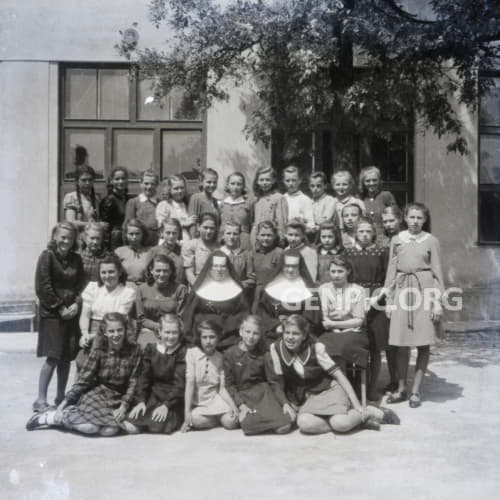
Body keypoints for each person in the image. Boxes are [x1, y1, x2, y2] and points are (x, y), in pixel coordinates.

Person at [266, 315, 400, 434]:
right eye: (287, 333)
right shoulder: (276, 349)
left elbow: (340, 376)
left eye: (295, 334)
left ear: (304, 336)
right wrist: (285, 403)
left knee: (340, 423)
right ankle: (356, 422)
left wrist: (357, 405)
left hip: (329, 390)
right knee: (305, 424)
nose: (290, 337)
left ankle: (369, 412)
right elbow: (277, 382)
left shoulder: (315, 349)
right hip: (309, 398)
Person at [26, 313, 142, 437]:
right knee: (90, 428)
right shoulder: (99, 351)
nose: (116, 335)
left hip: (119, 398)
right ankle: (52, 418)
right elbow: (84, 380)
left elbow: (133, 382)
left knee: (109, 431)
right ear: (105, 332)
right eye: (111, 331)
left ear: (125, 330)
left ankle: (77, 415)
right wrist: (63, 404)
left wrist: (124, 406)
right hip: (99, 395)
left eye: (120, 330)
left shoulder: (135, 350)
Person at [384, 202, 444, 408]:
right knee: (400, 343)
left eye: (420, 218)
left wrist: (437, 304)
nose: (415, 221)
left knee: (423, 343)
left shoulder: (431, 241)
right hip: (401, 291)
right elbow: (391, 272)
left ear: (425, 220)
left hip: (424, 292)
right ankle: (402, 388)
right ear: (405, 218)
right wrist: (390, 301)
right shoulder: (397, 240)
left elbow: (437, 274)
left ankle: (416, 391)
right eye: (412, 217)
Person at [33, 222, 85, 412]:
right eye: (62, 237)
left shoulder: (76, 260)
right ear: (55, 237)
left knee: (65, 359)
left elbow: (81, 285)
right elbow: (43, 287)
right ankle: (40, 401)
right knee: (53, 357)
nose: (66, 241)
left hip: (71, 315)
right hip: (52, 315)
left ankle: (60, 397)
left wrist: (75, 304)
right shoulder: (47, 257)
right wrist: (60, 307)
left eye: (70, 238)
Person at [344, 218, 397, 399]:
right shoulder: (349, 253)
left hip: (377, 301)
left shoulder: (381, 252)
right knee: (354, 344)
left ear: (373, 233)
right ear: (355, 234)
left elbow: (387, 280)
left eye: (368, 231)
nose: (364, 235)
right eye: (361, 232)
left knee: (375, 347)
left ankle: (372, 388)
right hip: (354, 300)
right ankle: (354, 387)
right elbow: (345, 279)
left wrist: (376, 298)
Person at [223, 315, 293, 435]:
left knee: (284, 426)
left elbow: (273, 382)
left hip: (263, 394)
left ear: (260, 335)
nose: (251, 337)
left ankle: (268, 419)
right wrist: (241, 405)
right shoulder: (230, 354)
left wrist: (285, 403)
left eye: (255, 333)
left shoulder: (264, 353)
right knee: (248, 427)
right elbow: (229, 385)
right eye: (247, 331)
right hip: (244, 396)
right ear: (240, 331)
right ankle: (259, 421)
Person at [125, 314, 188, 434]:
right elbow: (143, 378)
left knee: (156, 427)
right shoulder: (151, 349)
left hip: (173, 400)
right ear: (159, 331)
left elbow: (180, 384)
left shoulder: (182, 352)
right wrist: (141, 401)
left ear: (180, 333)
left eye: (174, 333)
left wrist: (166, 405)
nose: (170, 336)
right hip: (153, 396)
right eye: (167, 332)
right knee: (131, 424)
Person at [77, 253, 136, 370]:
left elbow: (118, 321)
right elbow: (85, 315)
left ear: (119, 272)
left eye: (111, 272)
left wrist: (95, 337)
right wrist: (84, 334)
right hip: (92, 332)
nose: (107, 276)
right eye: (103, 272)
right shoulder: (92, 288)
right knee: (81, 361)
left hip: (116, 334)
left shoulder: (127, 292)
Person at [183, 251, 250, 349]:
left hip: (230, 341)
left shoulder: (237, 291)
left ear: (228, 269)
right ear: (209, 268)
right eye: (215, 266)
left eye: (223, 266)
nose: (219, 269)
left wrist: (226, 325)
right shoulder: (199, 290)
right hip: (202, 340)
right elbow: (189, 317)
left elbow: (244, 314)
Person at [181, 320, 239, 432]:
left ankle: (221, 418)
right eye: (204, 337)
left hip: (216, 400)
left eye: (212, 337)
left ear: (218, 338)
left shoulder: (220, 357)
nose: (208, 341)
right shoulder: (192, 354)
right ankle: (217, 420)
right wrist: (186, 413)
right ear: (200, 338)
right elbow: (190, 384)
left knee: (231, 422)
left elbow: (222, 389)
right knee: (194, 419)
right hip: (200, 404)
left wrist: (233, 406)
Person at [254, 249, 320, 344]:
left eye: (294, 266)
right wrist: (275, 326)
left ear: (300, 267)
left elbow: (312, 320)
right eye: (287, 266)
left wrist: (291, 330)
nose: (290, 270)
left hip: (299, 338)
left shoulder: (310, 291)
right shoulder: (270, 287)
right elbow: (262, 313)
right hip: (272, 335)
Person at [135, 255, 188, 349]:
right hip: (148, 331)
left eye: (166, 271)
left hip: (173, 333)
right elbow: (141, 318)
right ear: (151, 270)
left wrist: (167, 330)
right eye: (158, 270)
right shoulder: (141, 289)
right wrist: (158, 327)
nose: (162, 274)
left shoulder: (180, 289)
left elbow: (181, 318)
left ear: (171, 271)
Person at [250, 166, 288, 246]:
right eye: (261, 180)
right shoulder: (256, 199)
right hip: (257, 238)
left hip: (272, 238)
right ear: (257, 181)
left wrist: (281, 238)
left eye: (267, 180)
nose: (264, 183)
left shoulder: (278, 198)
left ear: (273, 181)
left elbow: (282, 221)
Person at [358, 166, 397, 241]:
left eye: (374, 180)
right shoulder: (360, 198)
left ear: (379, 181)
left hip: (384, 237)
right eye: (368, 181)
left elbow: (395, 217)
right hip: (365, 238)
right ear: (363, 182)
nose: (371, 183)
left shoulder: (386, 196)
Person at [182, 212, 220, 286]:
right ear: (198, 227)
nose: (208, 231)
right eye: (205, 227)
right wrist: (201, 290)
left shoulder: (219, 247)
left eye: (212, 228)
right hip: (197, 286)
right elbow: (189, 274)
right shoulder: (190, 245)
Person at [124, 169, 160, 246]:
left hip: (156, 242)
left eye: (152, 184)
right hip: (138, 242)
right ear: (141, 184)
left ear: (157, 185)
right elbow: (127, 226)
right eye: (146, 183)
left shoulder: (161, 203)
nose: (149, 187)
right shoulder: (133, 202)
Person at [99, 166, 132, 250]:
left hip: (129, 237)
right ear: (111, 181)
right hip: (115, 240)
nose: (120, 181)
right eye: (117, 179)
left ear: (127, 180)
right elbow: (105, 227)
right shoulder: (108, 201)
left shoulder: (129, 199)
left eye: (123, 178)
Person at [156, 175, 196, 242]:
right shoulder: (164, 205)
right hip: (170, 242)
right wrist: (184, 223)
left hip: (186, 243)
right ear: (169, 189)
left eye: (182, 188)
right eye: (176, 188)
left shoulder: (188, 204)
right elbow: (161, 225)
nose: (180, 191)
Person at [114, 218, 153, 287]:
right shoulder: (119, 252)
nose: (134, 237)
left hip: (144, 287)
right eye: (131, 234)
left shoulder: (150, 251)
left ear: (143, 234)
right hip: (124, 287)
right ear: (126, 235)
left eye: (137, 233)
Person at [219, 172, 252, 250]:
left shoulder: (248, 203)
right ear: (228, 185)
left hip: (243, 243)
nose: (235, 187)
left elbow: (252, 222)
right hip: (225, 242)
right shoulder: (222, 203)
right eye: (232, 184)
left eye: (239, 184)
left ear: (243, 186)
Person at [220, 221, 255, 293]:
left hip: (240, 293)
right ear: (223, 235)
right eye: (228, 233)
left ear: (239, 236)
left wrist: (239, 285)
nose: (232, 237)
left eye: (235, 234)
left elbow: (252, 279)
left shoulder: (246, 255)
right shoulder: (218, 253)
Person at [63, 165, 101, 232]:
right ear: (77, 181)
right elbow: (71, 222)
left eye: (90, 180)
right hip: (77, 238)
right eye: (84, 180)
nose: (87, 183)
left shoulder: (96, 199)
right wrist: (96, 224)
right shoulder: (71, 197)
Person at [150, 218, 186, 284]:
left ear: (178, 234)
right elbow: (149, 275)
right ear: (161, 233)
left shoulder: (184, 251)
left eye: (174, 233)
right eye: (168, 233)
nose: (171, 236)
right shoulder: (154, 251)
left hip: (179, 290)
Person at [283, 165, 315, 235]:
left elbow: (311, 224)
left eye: (294, 180)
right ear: (283, 181)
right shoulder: (282, 198)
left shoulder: (305, 199)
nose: (290, 183)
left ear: (300, 180)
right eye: (287, 180)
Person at [188, 168, 220, 237]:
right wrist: (194, 240)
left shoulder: (215, 201)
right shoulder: (196, 198)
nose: (212, 185)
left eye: (214, 182)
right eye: (209, 182)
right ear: (201, 182)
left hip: (212, 240)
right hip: (200, 239)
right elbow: (193, 223)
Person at [309, 171, 339, 236]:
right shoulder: (309, 202)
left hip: (327, 235)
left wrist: (309, 218)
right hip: (311, 236)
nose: (315, 189)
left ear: (325, 186)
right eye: (312, 186)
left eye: (318, 186)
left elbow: (324, 221)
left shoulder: (330, 200)